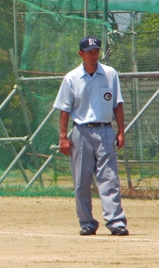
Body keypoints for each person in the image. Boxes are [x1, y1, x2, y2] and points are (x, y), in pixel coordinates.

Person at [54, 36, 129, 236]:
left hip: (105, 130)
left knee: (109, 178)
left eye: (96, 51)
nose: (94, 55)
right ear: (81, 54)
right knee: (82, 181)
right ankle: (87, 222)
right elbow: (64, 109)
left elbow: (117, 104)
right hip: (81, 131)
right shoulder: (71, 78)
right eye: (89, 52)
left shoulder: (110, 74)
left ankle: (116, 222)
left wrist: (121, 131)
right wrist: (63, 137)